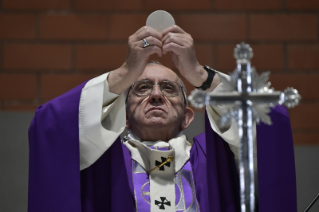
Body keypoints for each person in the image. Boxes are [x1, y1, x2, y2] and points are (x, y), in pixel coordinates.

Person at [28, 25, 297, 212]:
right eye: (142, 88)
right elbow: (49, 128)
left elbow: (270, 119)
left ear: (187, 116)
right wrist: (124, 73)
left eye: (169, 88)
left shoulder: (218, 160)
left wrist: (198, 74)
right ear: (123, 117)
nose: (156, 95)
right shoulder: (100, 161)